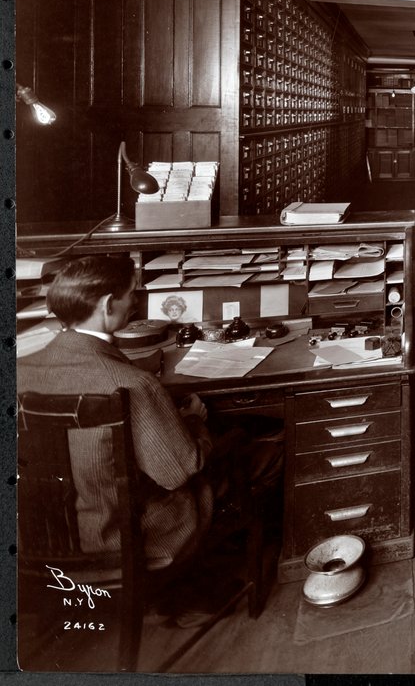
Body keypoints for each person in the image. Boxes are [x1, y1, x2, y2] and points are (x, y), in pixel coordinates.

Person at [18, 256, 282, 610]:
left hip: (39, 539)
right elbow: (179, 471)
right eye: (132, 294)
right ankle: (191, 584)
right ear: (108, 304)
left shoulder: (17, 372)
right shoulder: (133, 383)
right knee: (265, 453)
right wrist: (193, 421)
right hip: (123, 539)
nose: (135, 302)